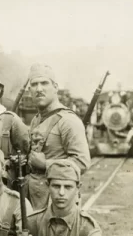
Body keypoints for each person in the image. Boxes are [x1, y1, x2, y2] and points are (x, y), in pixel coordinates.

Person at [25, 64, 90, 210]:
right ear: (30, 90)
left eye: (44, 83)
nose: (39, 89)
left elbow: (82, 162)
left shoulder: (68, 120)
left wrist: (46, 164)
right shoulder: (36, 120)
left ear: (55, 87)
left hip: (58, 200)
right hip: (35, 199)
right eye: (34, 84)